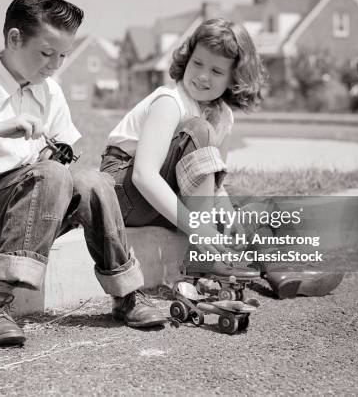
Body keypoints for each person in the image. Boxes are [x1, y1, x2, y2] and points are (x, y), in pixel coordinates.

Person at [0, 0, 166, 347]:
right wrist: (2, 125)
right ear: (15, 39)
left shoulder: (50, 91)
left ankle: (126, 294)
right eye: (46, 53)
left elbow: (62, 155)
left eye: (62, 56)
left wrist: (57, 158)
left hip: (37, 203)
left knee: (94, 181)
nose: (54, 65)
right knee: (48, 174)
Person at [100, 18, 343, 299]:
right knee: (198, 130)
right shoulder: (170, 101)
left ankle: (282, 273)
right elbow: (144, 174)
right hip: (124, 191)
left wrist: (231, 224)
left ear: (234, 79)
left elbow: (214, 186)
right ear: (187, 59)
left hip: (166, 193)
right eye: (197, 63)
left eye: (216, 70)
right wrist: (201, 229)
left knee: (249, 201)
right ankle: (205, 263)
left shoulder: (223, 116)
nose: (203, 76)